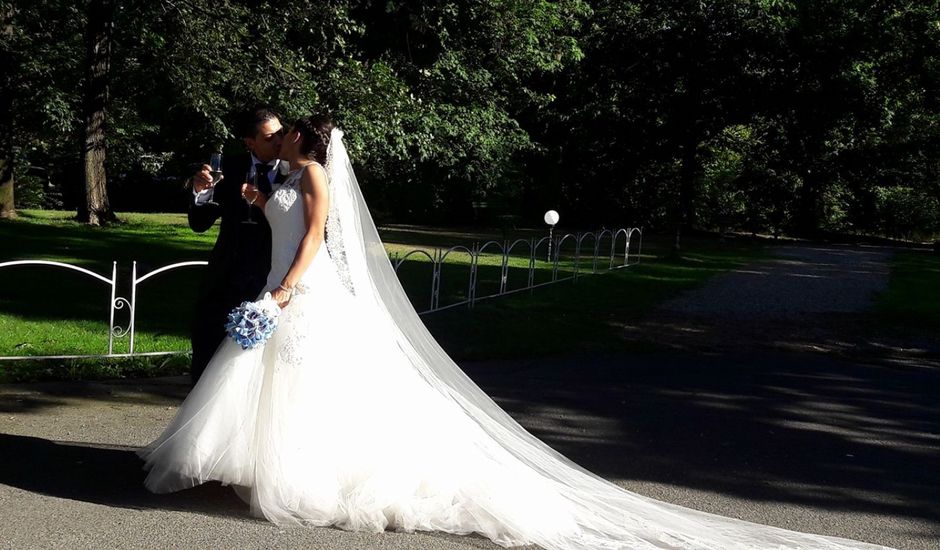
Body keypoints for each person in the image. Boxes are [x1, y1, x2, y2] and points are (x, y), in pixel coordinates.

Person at [140, 116, 892, 550]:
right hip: (283, 291)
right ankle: (251, 468)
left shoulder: (312, 178)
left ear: (306, 145)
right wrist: (237, 198)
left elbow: (311, 242)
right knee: (271, 383)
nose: (283, 145)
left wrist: (283, 289)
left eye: (291, 138)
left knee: (307, 385)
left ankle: (299, 474)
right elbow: (269, 214)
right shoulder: (276, 178)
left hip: (299, 292)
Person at [186, 107, 289, 384]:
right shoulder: (228, 169)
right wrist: (201, 192)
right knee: (209, 358)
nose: (279, 141)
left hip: (272, 279)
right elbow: (199, 223)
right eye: (269, 138)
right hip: (226, 278)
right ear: (249, 142)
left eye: (281, 134)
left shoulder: (294, 173)